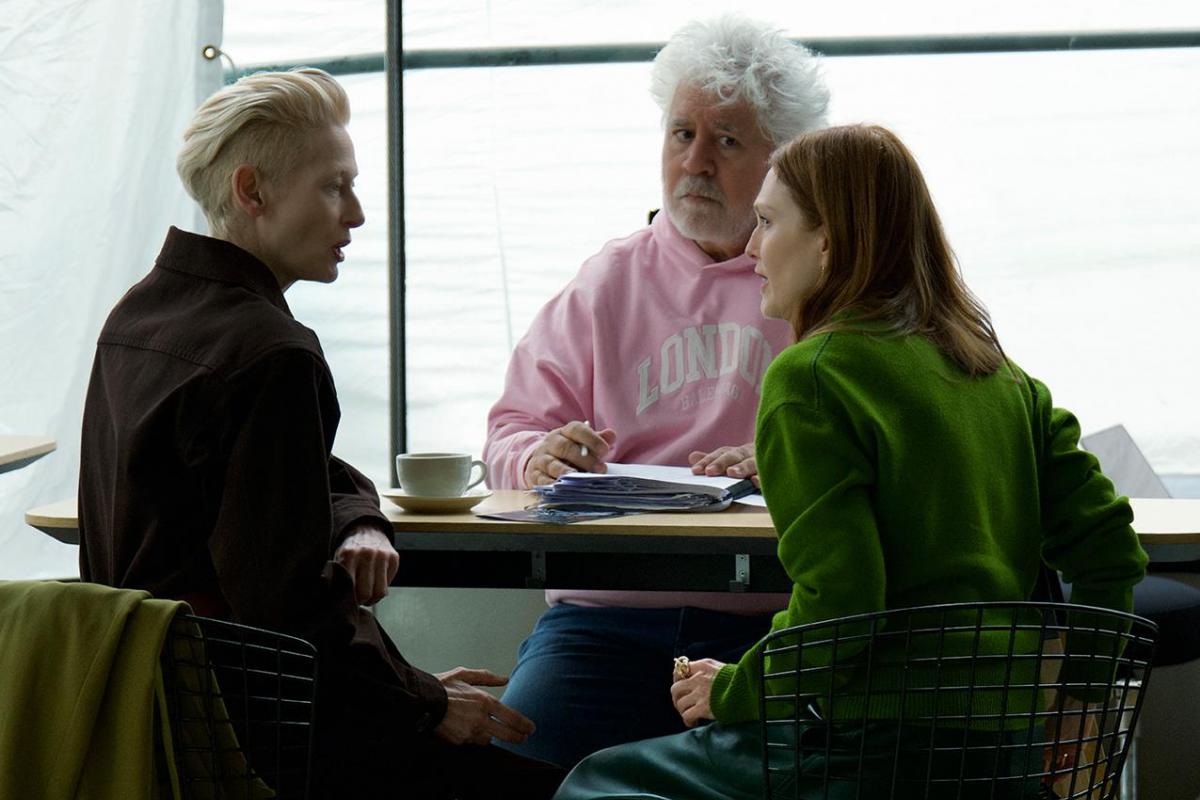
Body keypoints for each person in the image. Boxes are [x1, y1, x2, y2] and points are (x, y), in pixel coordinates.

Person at [550, 124, 1150, 799]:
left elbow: (842, 601)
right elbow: (1109, 552)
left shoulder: (811, 378)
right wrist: (1080, 699)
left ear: (828, 241)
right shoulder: (1006, 380)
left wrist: (737, 691)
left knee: (598, 781)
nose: (751, 248)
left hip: (864, 759)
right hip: (1000, 760)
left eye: (770, 222)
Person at [78, 68, 562, 799]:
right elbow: (289, 618)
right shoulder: (271, 351)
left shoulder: (138, 319)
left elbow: (302, 481)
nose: (359, 213)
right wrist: (425, 701)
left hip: (148, 714)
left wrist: (361, 526)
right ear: (253, 192)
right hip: (258, 735)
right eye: (335, 186)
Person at [482, 15, 830, 767]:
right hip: (603, 623)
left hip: (773, 620)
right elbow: (510, 429)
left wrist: (799, 462)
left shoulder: (824, 287)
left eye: (727, 141)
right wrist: (537, 457)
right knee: (507, 765)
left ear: (783, 159)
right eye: (681, 135)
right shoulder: (608, 281)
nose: (695, 162)